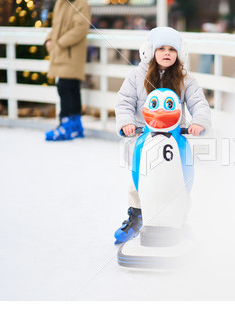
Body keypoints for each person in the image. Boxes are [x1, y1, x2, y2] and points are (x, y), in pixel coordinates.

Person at [114, 27, 211, 244]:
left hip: (175, 141)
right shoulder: (137, 76)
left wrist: (198, 123)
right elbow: (124, 102)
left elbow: (199, 104)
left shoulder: (186, 79)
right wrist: (127, 123)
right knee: (139, 180)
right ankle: (137, 216)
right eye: (161, 48)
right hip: (145, 140)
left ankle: (179, 220)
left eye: (171, 49)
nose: (166, 53)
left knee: (180, 181)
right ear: (150, 51)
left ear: (179, 53)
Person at [44, 0, 91, 141]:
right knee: (70, 88)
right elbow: (55, 26)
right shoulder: (60, 3)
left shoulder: (81, 4)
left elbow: (81, 28)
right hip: (60, 52)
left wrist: (59, 43)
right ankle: (74, 124)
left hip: (72, 53)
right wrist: (49, 40)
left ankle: (67, 125)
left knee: (65, 87)